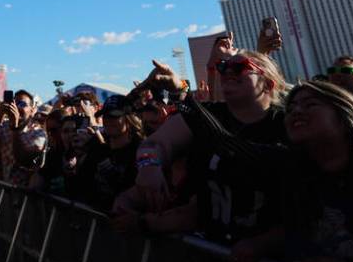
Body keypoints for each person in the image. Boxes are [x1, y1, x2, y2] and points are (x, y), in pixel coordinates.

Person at [179, 80, 353, 262]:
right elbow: (225, 143)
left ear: (346, 116)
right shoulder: (289, 166)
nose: (296, 111)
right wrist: (180, 92)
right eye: (291, 107)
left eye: (310, 105)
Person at [122, 53, 288, 245]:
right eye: (223, 66)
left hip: (273, 261)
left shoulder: (288, 123)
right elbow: (154, 144)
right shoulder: (209, 114)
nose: (228, 72)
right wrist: (149, 164)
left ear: (268, 84)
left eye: (240, 66)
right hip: (211, 252)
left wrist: (263, 244)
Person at [0, 90, 47, 187]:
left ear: (32, 110)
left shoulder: (38, 133)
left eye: (22, 104)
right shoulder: (5, 126)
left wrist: (15, 128)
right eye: (15, 103)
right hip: (6, 189)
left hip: (26, 194)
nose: (17, 107)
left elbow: (23, 159)